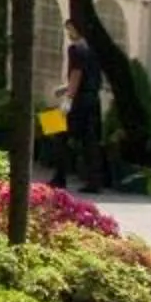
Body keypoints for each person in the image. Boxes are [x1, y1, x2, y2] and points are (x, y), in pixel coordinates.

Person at [63, 27, 106, 191]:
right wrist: (65, 89)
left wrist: (68, 99)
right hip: (93, 99)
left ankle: (60, 175)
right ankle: (95, 180)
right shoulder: (95, 49)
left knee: (55, 130)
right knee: (91, 140)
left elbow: (76, 74)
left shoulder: (75, 49)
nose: (68, 33)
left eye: (70, 29)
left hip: (79, 100)